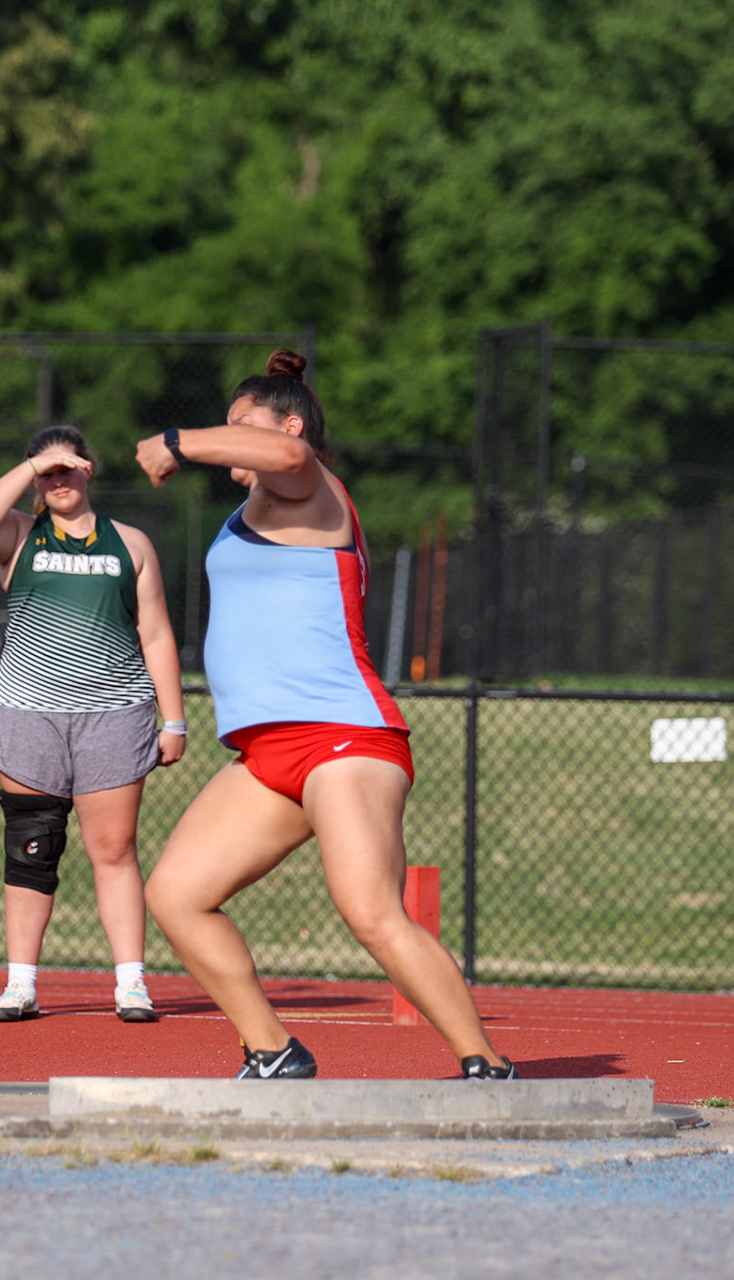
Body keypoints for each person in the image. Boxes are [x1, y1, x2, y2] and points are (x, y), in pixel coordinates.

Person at [134, 349, 515, 1080]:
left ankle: (487, 1065)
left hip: (345, 735)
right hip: (269, 752)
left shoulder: (311, 489)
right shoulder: (250, 512)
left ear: (290, 424)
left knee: (371, 912)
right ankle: (273, 1049)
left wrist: (181, 439)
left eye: (240, 425)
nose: (228, 438)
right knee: (176, 895)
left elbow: (282, 452)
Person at [0, 424, 185, 1024]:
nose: (57, 480)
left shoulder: (130, 543)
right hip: (30, 714)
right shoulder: (18, 534)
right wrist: (31, 468)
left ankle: (131, 982)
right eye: (46, 472)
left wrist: (175, 719)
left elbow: (155, 632)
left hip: (114, 712)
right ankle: (21, 985)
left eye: (67, 468)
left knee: (113, 850)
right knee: (31, 847)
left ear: (90, 469)